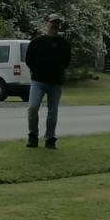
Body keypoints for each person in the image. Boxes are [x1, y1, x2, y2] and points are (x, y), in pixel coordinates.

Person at [26, 13, 72, 149]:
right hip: (38, 81)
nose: (55, 26)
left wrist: (59, 71)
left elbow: (67, 61)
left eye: (57, 23)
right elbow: (28, 59)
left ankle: (50, 139)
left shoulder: (64, 44)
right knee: (33, 108)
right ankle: (33, 136)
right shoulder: (37, 42)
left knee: (52, 112)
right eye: (53, 23)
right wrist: (36, 69)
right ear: (47, 24)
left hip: (56, 82)